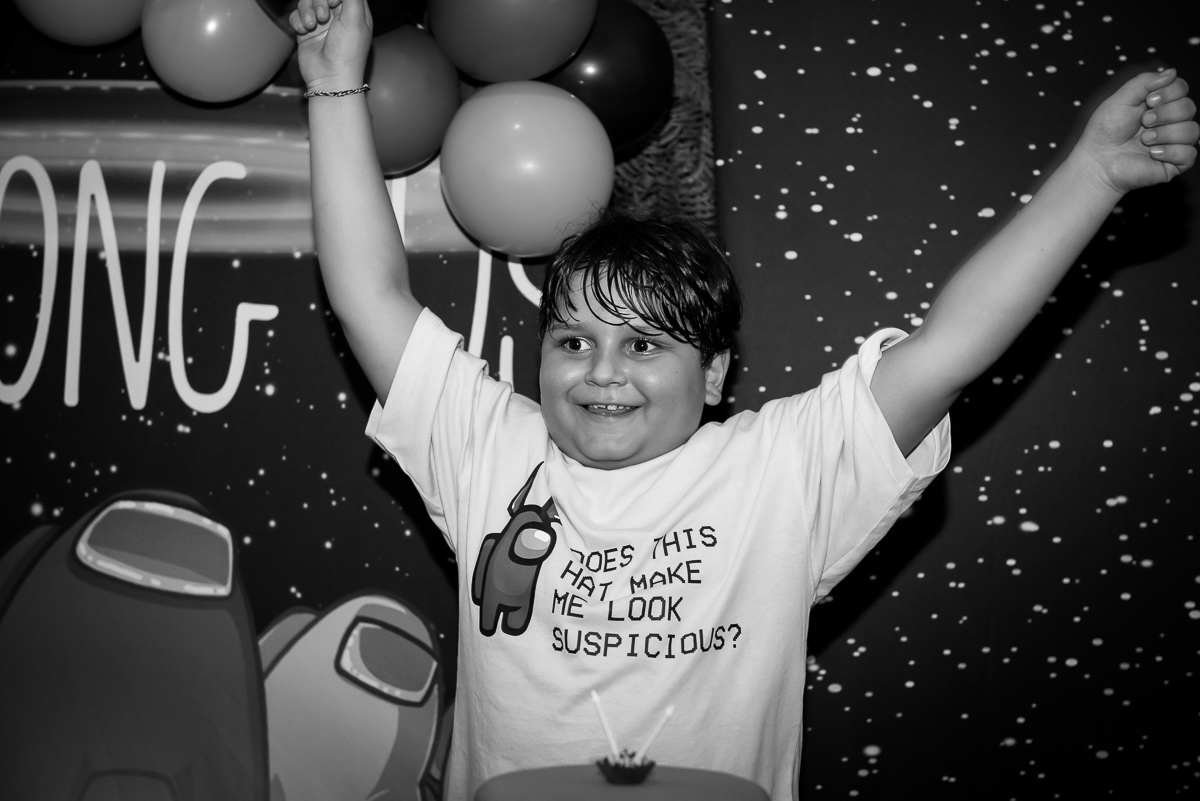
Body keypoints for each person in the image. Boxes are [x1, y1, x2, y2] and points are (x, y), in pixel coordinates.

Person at [290, 1, 1198, 799]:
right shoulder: (487, 448)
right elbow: (371, 294)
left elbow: (948, 351)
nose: (601, 371)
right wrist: (333, 83)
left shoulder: (779, 471)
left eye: (644, 344)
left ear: (716, 374)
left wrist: (1092, 177)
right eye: (573, 341)